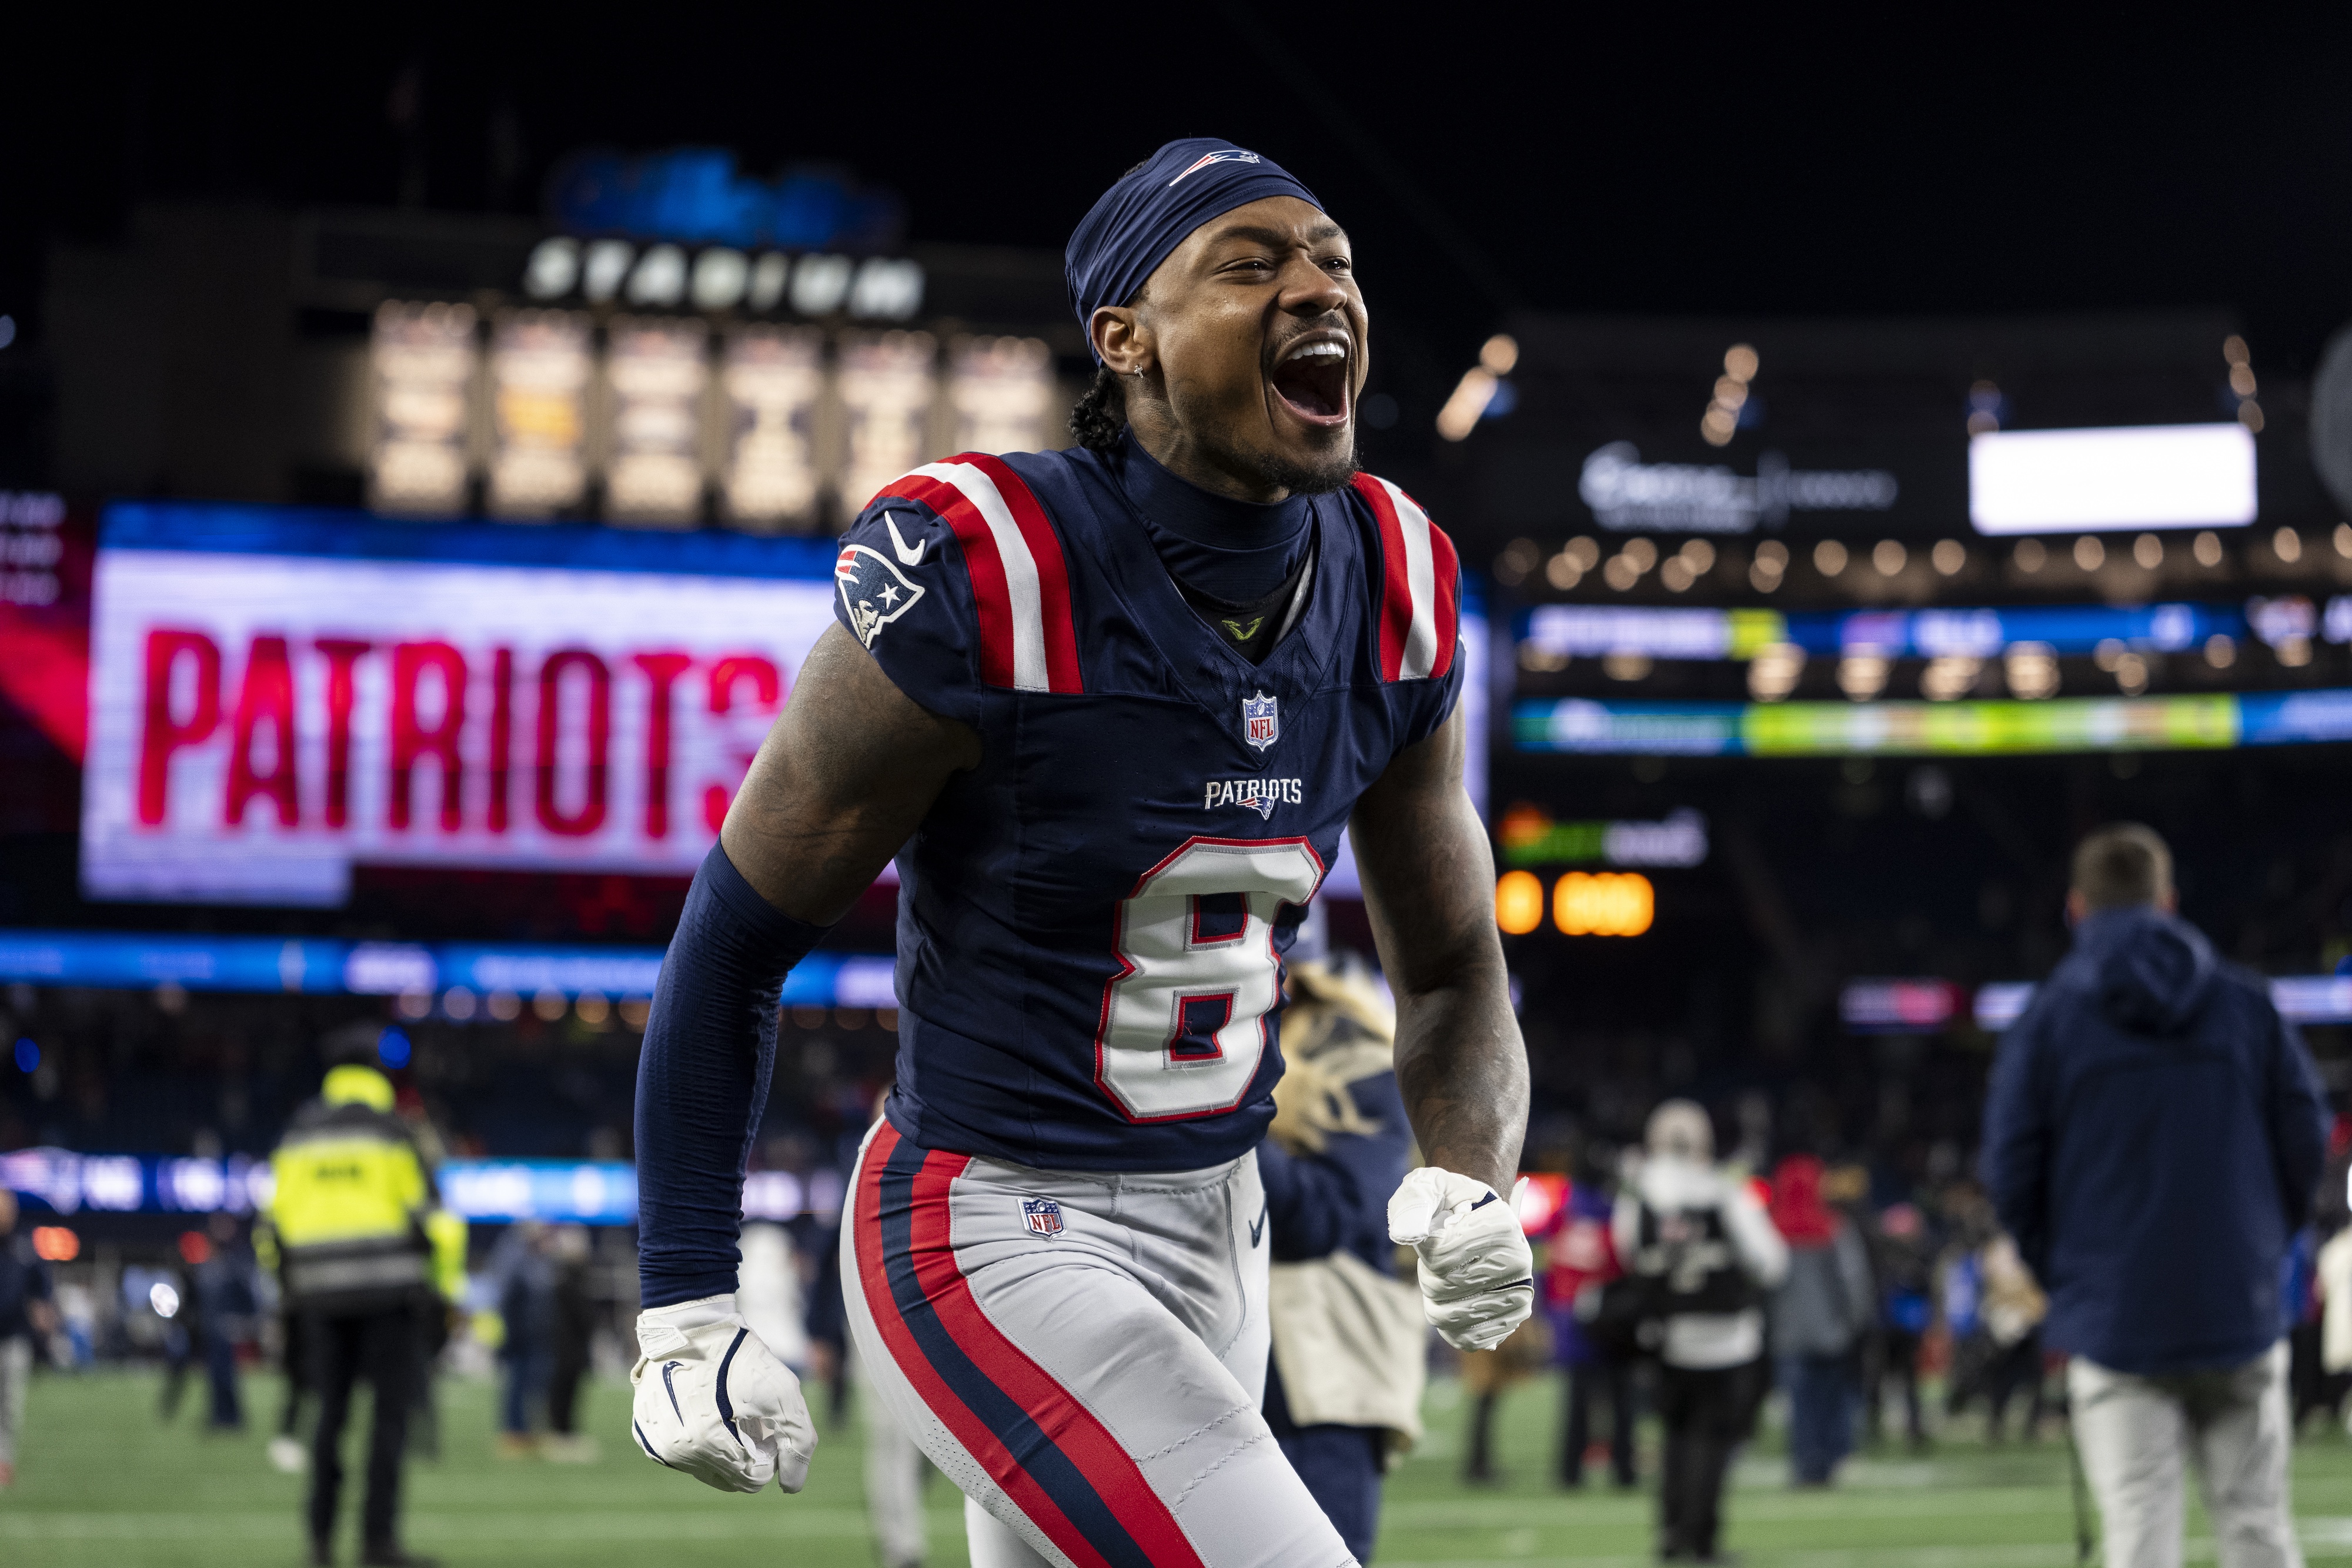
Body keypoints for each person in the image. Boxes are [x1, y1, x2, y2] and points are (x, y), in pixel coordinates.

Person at [628, 136, 1532, 1568]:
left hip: (1219, 1223)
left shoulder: (1394, 578)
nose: (1318, 288)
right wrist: (684, 1299)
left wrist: (1473, 1168)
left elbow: (1452, 966)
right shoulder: (991, 567)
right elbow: (734, 939)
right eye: (1249, 265)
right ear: (1126, 342)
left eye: (1337, 262)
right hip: (986, 1228)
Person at [1983, 823, 2328, 1568]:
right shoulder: (2247, 1005)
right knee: (2259, 1528)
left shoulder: (2046, 1022)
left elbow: (2010, 1173)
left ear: (2076, 909)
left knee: (2139, 1534)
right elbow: (2308, 1145)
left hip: (2112, 1317)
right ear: (2168, 903)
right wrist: (2264, 1246)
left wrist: (2068, 1276)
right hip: (2236, 1303)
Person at [266, 1026, 457, 1568]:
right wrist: (440, 1289)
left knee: (329, 1418)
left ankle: (320, 1543)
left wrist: (288, 1291)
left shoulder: (300, 1132)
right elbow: (429, 1216)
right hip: (389, 1295)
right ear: (378, 1070)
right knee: (387, 1423)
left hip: (319, 1300)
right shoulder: (395, 1130)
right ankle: (378, 1543)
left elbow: (274, 1221)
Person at [1258, 959, 1423, 1555]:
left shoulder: (1348, 1046)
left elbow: (1327, 1219)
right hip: (1190, 1355)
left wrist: (1226, 1110)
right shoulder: (1154, 1030)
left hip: (1319, 1363)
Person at [1616, 1101, 1788, 1564]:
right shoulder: (1724, 1188)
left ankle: (1672, 1534)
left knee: (1675, 1439)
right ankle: (1704, 1538)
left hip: (1668, 1335)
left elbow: (1628, 1253)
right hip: (1727, 1336)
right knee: (1714, 1443)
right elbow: (1770, 1260)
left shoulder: (1639, 1191)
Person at [1765, 1154, 1873, 1487]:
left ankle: (1806, 1467)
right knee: (1833, 1400)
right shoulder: (1834, 1228)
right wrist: (1856, 1321)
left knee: (1801, 1407)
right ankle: (1832, 1461)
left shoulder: (1772, 1232)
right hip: (1832, 1333)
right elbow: (1854, 1280)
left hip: (1788, 1336)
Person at [1544, 1146, 1637, 1490]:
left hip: (1571, 1320)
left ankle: (1570, 1473)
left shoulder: (1563, 1213)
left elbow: (1552, 1267)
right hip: (1611, 1317)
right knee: (1621, 1400)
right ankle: (1625, 1471)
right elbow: (1623, 1262)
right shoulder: (1613, 1213)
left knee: (1577, 1403)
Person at [0, 1188, 58, 1489]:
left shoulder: (25, 1244)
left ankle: (3, 1462)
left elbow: (42, 1287)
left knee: (9, 1402)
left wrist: (46, 1325)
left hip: (14, 1336)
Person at [1865, 1202, 1933, 1450]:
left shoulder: (1882, 1255)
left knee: (1882, 1377)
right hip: (1903, 1323)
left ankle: (1876, 1429)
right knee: (1905, 1379)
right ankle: (1911, 1428)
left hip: (1890, 1323)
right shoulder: (1917, 1254)